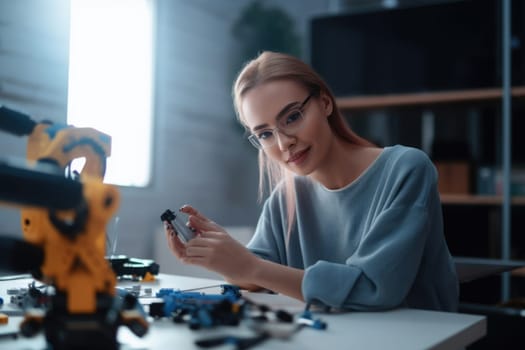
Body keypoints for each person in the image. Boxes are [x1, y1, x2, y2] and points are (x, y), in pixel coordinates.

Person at [164, 51, 459, 312]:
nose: (283, 143)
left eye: (292, 117)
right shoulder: (285, 197)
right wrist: (218, 254)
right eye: (265, 134)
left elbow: (373, 289)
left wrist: (249, 266)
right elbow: (254, 277)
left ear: (325, 103)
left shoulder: (406, 169)